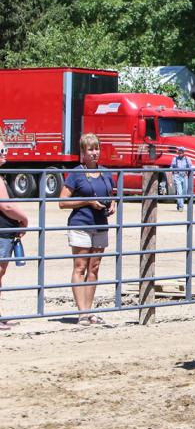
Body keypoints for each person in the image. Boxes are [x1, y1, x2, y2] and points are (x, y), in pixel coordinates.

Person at [59, 133, 115, 325]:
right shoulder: (76, 173)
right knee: (80, 266)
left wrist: (113, 203)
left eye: (96, 148)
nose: (94, 153)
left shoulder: (106, 173)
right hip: (81, 224)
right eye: (90, 149)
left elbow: (110, 194)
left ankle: (89, 311)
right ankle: (82, 312)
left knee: (94, 267)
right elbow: (62, 202)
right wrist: (87, 202)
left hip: (100, 224)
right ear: (83, 152)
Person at [0, 139, 29, 330]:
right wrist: (24, 219)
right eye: (1, 151)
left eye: (5, 150)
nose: (5, 153)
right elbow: (6, 206)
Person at [169, 147, 193, 212]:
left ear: (184, 152)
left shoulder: (187, 159)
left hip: (184, 176)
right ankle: (181, 206)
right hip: (177, 176)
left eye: (182, 151)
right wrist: (171, 171)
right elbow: (171, 167)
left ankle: (179, 203)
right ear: (178, 152)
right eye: (180, 151)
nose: (181, 152)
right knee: (179, 191)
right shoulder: (175, 159)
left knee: (185, 191)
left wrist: (188, 170)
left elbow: (191, 167)